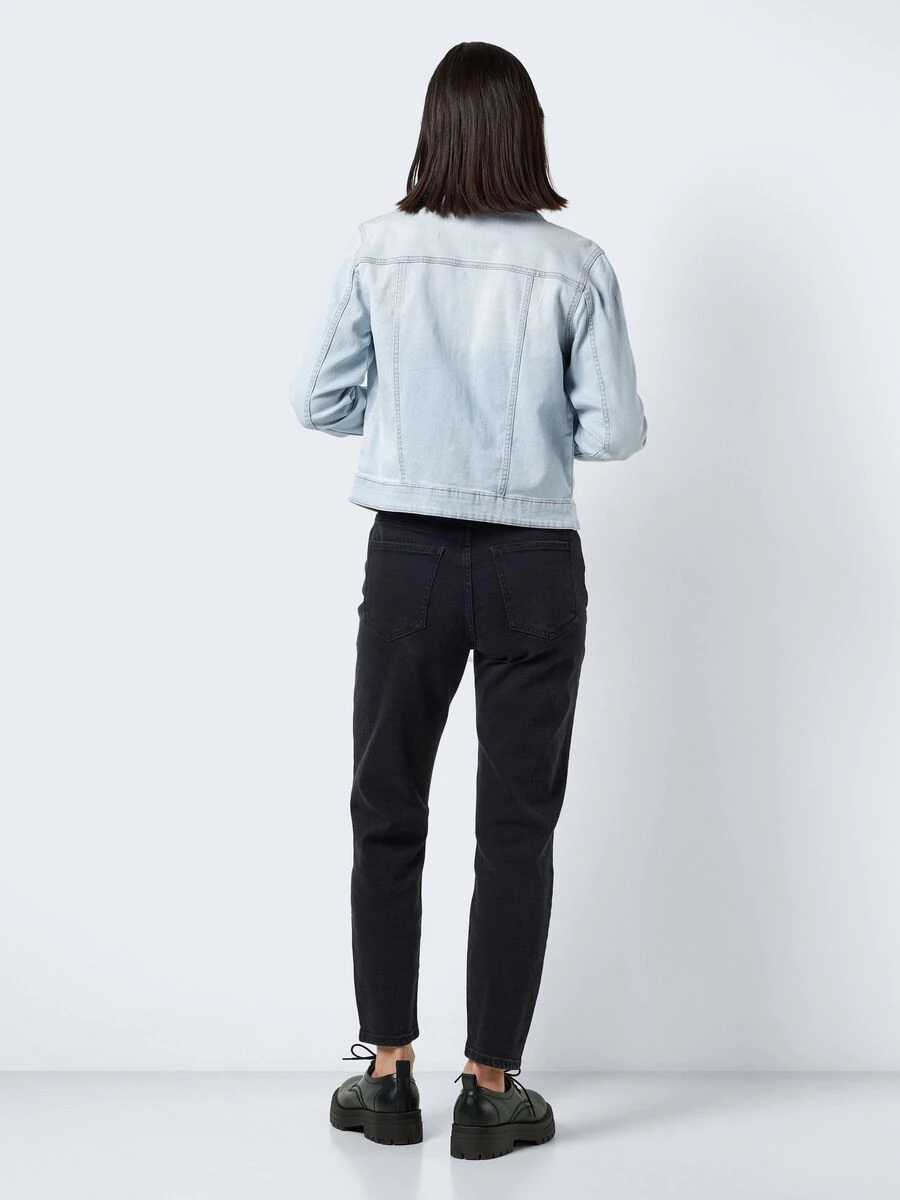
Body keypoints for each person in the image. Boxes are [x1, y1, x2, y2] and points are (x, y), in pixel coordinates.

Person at [288, 40, 647, 1159]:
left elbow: (317, 401)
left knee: (387, 803)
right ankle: (490, 1090)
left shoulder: (377, 250)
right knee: (517, 824)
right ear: (527, 134)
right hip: (534, 557)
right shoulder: (575, 265)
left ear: (433, 134)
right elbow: (616, 432)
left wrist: (411, 422)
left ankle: (387, 1074)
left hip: (410, 554)